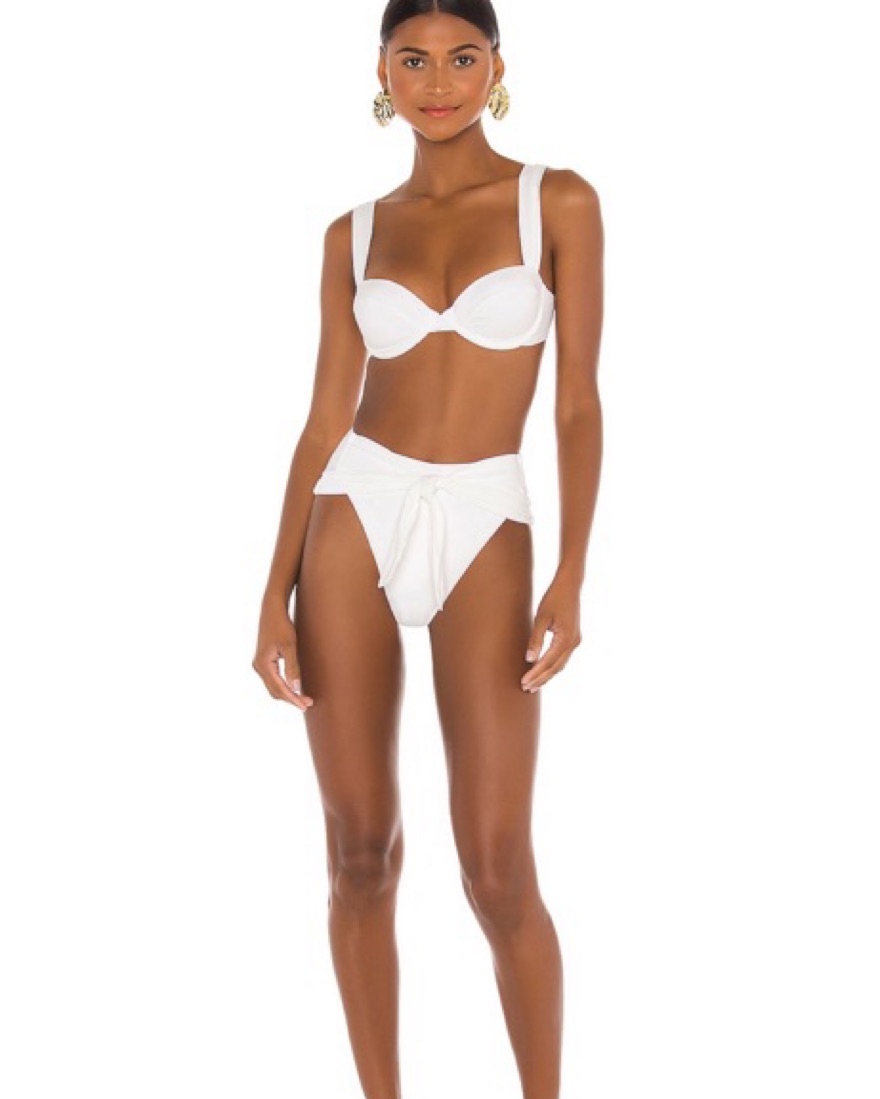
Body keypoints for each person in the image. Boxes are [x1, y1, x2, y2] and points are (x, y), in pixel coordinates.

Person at [252, 1, 604, 1095]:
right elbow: (323, 420)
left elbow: (578, 405)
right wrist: (271, 593)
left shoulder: (558, 201)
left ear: (496, 67)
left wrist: (573, 571)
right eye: (413, 59)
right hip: (355, 507)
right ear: (382, 72)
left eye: (461, 58)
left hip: (486, 515)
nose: (437, 82)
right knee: (359, 852)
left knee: (497, 870)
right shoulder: (353, 233)